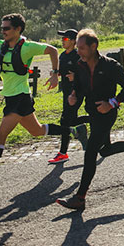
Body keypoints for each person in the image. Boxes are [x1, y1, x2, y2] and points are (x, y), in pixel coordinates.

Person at [0, 13, 85, 193]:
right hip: (11, 97)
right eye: (2, 28)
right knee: (36, 131)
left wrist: (54, 73)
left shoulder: (27, 47)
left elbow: (52, 50)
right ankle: (74, 130)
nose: (3, 31)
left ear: (18, 29)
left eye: (7, 28)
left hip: (20, 97)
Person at [56, 29, 124, 211]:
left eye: (81, 48)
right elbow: (79, 86)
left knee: (91, 153)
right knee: (106, 150)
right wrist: (73, 95)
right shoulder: (80, 65)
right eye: (77, 48)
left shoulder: (110, 66)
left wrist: (112, 103)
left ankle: (80, 197)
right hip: (93, 113)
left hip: (107, 114)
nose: (78, 51)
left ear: (93, 46)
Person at [49, 28, 90, 164]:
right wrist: (55, 74)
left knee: (65, 121)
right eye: (62, 39)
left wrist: (75, 76)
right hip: (66, 92)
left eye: (65, 39)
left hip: (77, 92)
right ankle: (91, 121)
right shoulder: (62, 56)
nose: (62, 41)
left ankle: (63, 153)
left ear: (73, 41)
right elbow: (61, 70)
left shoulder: (78, 55)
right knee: (70, 120)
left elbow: (88, 71)